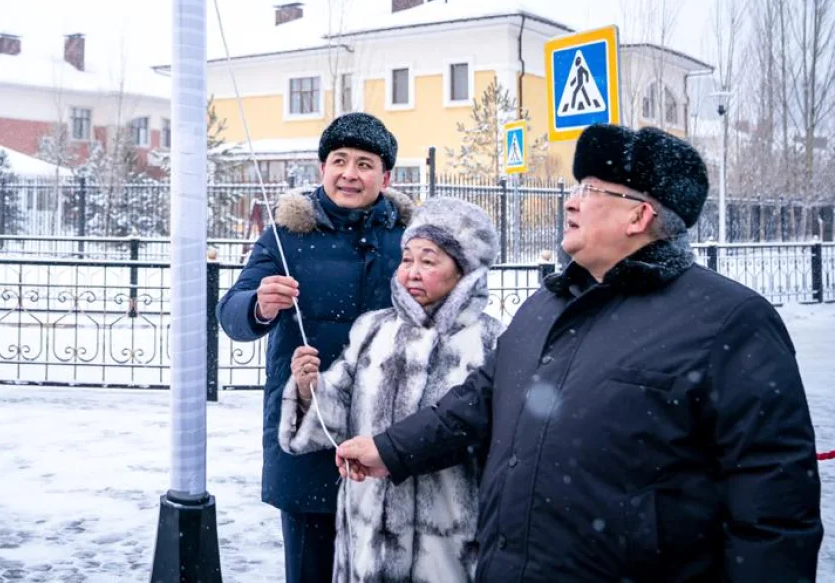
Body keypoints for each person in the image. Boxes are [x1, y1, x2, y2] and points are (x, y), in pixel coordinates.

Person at [336, 124, 824, 582]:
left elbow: (773, 504)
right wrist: (390, 449)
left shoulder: (727, 320)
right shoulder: (546, 305)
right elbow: (477, 402)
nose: (570, 202)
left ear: (639, 214)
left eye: (590, 190)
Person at [217, 112, 414, 583]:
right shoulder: (286, 236)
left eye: (365, 164)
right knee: (311, 567)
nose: (350, 173)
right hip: (309, 429)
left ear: (385, 177)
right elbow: (231, 314)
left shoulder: (411, 240)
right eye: (339, 160)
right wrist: (260, 305)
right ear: (321, 168)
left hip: (389, 430)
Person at [280, 197, 503, 582]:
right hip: (367, 540)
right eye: (407, 259)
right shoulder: (372, 330)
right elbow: (335, 417)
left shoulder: (491, 342)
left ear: (465, 271)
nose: (412, 272)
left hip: (448, 544)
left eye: (429, 260)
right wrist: (307, 389)